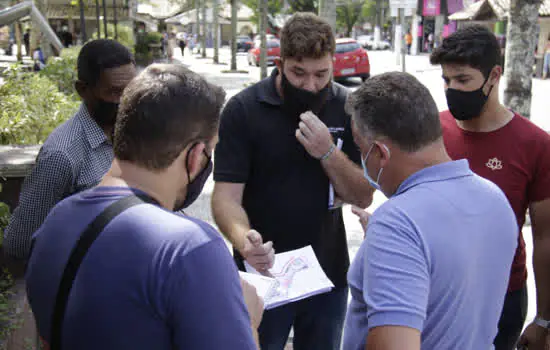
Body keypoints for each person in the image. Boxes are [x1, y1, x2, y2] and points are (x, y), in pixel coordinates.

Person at [26, 63, 263, 350]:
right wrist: (248, 318)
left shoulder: (56, 221)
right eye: (209, 152)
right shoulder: (190, 248)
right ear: (196, 155)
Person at [212, 12, 373, 350]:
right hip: (262, 272)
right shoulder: (243, 109)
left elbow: (362, 195)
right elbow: (226, 197)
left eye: (321, 74)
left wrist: (327, 152)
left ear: (332, 65)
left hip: (327, 271)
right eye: (299, 74)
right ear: (280, 61)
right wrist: (244, 241)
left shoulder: (348, 106)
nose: (311, 85)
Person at [343, 71, 517, 350]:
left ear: (380, 153)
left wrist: (390, 239)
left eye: (359, 147)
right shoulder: (494, 198)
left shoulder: (397, 223)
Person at [430, 25, 550, 350]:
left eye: (463, 80)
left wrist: (544, 319)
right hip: (436, 293)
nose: (452, 89)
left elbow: (545, 237)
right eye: (446, 80)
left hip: (502, 298)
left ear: (494, 75)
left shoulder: (535, 144)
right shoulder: (429, 129)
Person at [3, 39, 136, 260]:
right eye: (114, 92)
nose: (124, 100)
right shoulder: (62, 156)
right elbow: (18, 242)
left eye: (130, 90)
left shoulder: (131, 132)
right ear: (82, 90)